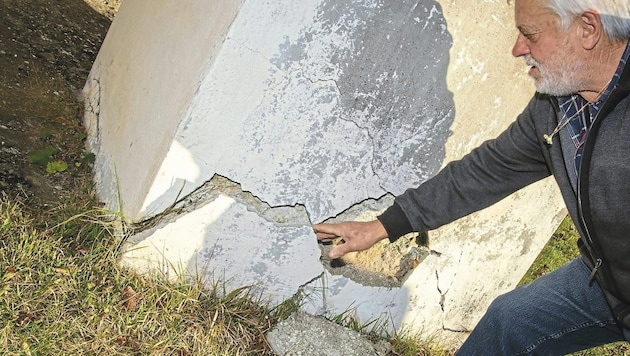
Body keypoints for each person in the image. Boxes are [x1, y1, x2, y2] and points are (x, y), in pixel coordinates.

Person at [313, 0, 630, 354]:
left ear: (587, 30)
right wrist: (379, 228)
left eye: (530, 35)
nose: (517, 49)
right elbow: (486, 170)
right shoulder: (558, 107)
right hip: (606, 278)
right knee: (511, 321)